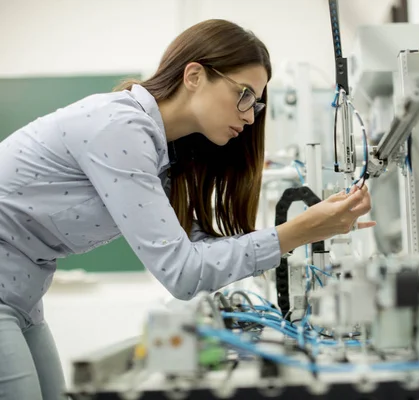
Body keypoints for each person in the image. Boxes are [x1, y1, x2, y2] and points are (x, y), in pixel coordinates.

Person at [0, 19, 375, 399]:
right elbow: (183, 273)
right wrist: (301, 231)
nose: (250, 116)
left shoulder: (162, 155)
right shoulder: (119, 130)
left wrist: (311, 228)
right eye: (244, 95)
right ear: (194, 76)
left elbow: (194, 248)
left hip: (23, 296)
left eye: (256, 104)